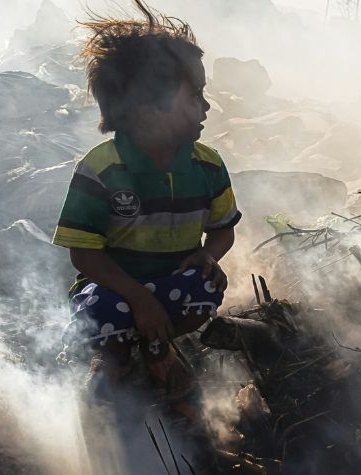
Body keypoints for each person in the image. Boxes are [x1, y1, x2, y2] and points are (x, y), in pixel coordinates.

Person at [51, 0, 239, 448]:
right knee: (102, 317)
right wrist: (139, 299)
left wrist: (206, 255)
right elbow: (83, 252)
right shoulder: (102, 169)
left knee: (208, 285)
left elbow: (223, 228)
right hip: (115, 289)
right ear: (147, 106)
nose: (207, 106)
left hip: (172, 281)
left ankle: (159, 352)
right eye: (194, 95)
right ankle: (114, 367)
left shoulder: (207, 165)